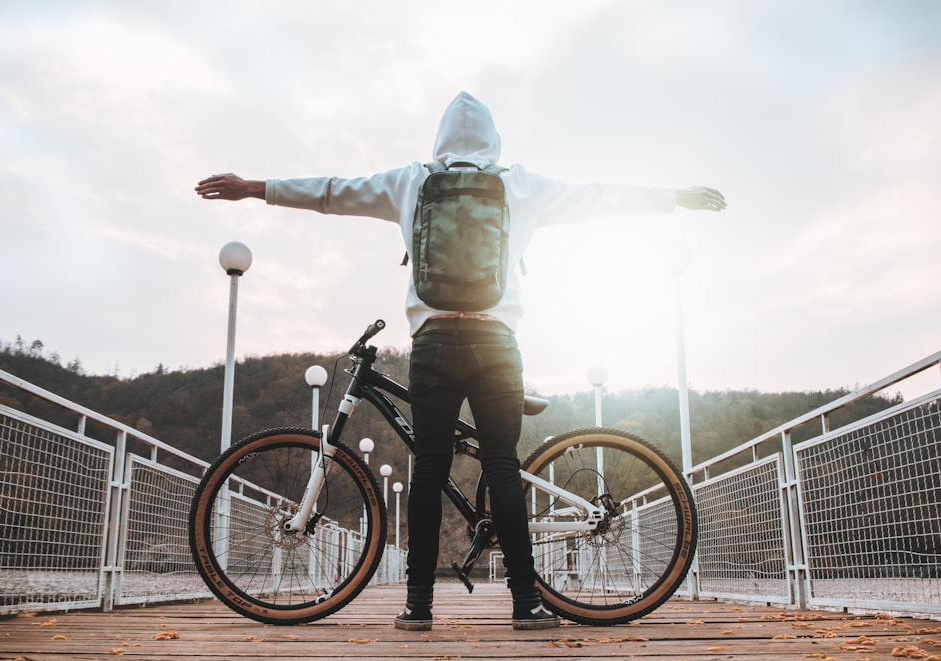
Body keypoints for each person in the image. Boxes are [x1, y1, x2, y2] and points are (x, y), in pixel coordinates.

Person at [195, 91, 726, 631]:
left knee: (428, 468)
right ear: (494, 139)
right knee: (501, 464)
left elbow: (333, 192)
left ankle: (418, 606)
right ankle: (526, 604)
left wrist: (254, 189)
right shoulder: (520, 183)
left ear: (440, 137)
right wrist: (676, 198)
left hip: (434, 342)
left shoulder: (412, 181)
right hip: (497, 343)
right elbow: (599, 197)